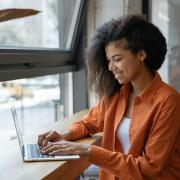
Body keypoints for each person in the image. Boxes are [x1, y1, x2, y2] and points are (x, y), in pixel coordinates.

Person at [38, 14, 180, 180]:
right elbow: (89, 123)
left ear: (142, 55)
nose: (111, 67)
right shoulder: (117, 95)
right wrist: (64, 135)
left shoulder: (169, 101)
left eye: (117, 59)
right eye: (108, 61)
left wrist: (88, 151)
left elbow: (149, 168)